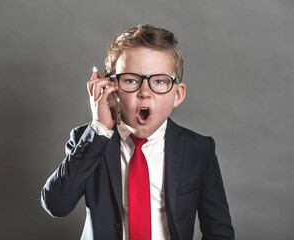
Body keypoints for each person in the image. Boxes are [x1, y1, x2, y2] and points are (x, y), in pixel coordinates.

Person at [41, 24, 234, 240]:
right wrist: (99, 129)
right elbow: (56, 205)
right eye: (131, 80)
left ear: (177, 95)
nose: (145, 92)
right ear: (110, 89)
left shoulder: (199, 150)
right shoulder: (89, 141)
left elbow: (219, 231)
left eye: (159, 81)